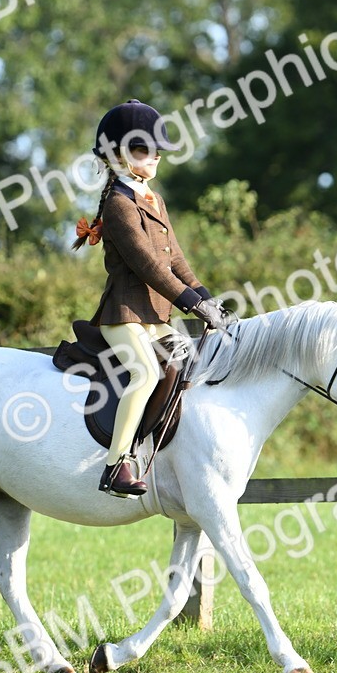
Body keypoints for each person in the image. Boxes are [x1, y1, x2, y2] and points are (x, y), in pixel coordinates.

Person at [72, 99, 227, 498]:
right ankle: (115, 466)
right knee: (144, 373)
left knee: (194, 367)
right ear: (119, 155)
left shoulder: (153, 199)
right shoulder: (119, 204)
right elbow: (150, 268)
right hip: (124, 316)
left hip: (156, 317)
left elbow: (176, 259)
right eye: (144, 149)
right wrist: (193, 304)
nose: (155, 155)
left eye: (157, 149)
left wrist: (208, 298)